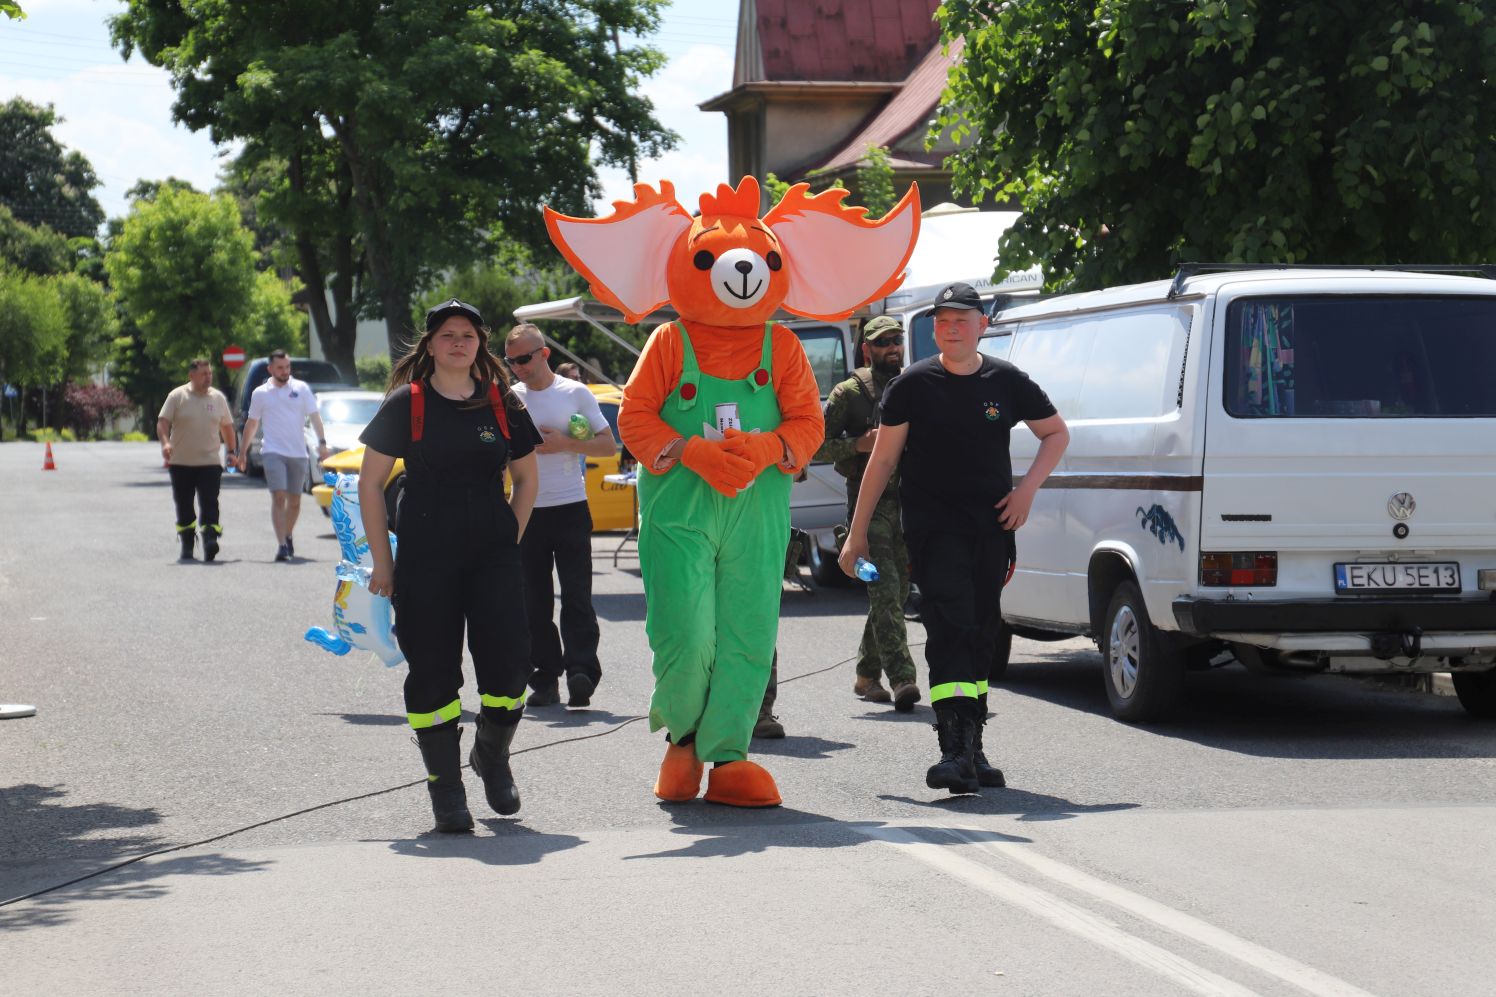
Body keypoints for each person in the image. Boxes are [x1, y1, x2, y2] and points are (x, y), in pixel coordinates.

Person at [840, 282, 1069, 795]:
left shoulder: (1007, 381)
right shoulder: (912, 386)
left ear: (982, 324)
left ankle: (973, 743)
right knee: (949, 625)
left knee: (981, 630)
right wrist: (856, 536)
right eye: (943, 320)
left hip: (991, 529)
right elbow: (882, 461)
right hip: (932, 530)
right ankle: (951, 748)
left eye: (962, 318)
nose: (951, 327)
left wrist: (1027, 491)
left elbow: (1056, 433)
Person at [358, 299, 542, 833]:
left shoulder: (503, 403)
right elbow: (370, 483)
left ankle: (492, 755)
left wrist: (509, 536)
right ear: (431, 344)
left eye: (468, 334)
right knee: (434, 672)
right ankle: (446, 787)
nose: (458, 342)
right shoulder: (406, 403)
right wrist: (383, 563)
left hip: (493, 559)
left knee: (510, 667)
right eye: (447, 334)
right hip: (425, 561)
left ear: (480, 345)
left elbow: (527, 480)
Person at [504, 323, 616, 708]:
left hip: (570, 506)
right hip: (526, 509)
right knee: (532, 602)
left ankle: (581, 672)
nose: (518, 367)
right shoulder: (509, 398)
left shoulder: (574, 392)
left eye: (524, 358)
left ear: (544, 353)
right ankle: (545, 677)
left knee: (577, 596)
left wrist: (563, 443)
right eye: (511, 360)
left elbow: (607, 444)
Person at [814, 316, 920, 711]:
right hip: (867, 505)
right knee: (884, 589)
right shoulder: (849, 393)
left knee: (899, 591)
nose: (892, 348)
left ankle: (865, 674)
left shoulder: (913, 386)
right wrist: (859, 444)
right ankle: (903, 678)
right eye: (883, 342)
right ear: (867, 350)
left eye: (897, 340)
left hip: (907, 504)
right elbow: (814, 447)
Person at [235, 350, 331, 561]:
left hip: (298, 452)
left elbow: (315, 418)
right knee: (279, 497)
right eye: (280, 368)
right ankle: (281, 545)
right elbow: (252, 424)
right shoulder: (261, 393)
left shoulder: (301, 389)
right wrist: (242, 452)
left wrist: (322, 444)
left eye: (287, 367)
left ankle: (287, 535)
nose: (285, 371)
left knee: (295, 502)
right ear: (270, 369)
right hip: (272, 451)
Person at [158, 358, 237, 561]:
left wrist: (231, 452)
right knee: (184, 504)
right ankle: (186, 542)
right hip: (181, 462)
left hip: (210, 462)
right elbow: (162, 422)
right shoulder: (177, 396)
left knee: (210, 502)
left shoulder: (217, 398)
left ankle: (210, 539)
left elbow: (227, 427)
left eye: (209, 373)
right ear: (191, 375)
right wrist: (165, 443)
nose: (208, 378)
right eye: (203, 374)